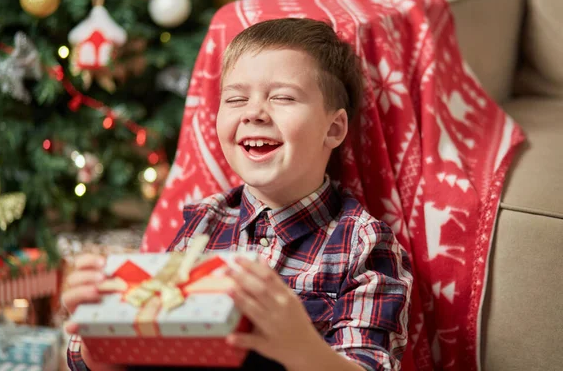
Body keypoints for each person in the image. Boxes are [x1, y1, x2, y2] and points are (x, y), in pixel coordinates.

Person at [63, 18, 413, 371]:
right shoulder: (203, 223)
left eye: (282, 97)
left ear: (334, 128)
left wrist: (302, 349)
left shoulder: (363, 243)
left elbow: (371, 363)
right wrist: (102, 341)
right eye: (236, 98)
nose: (254, 113)